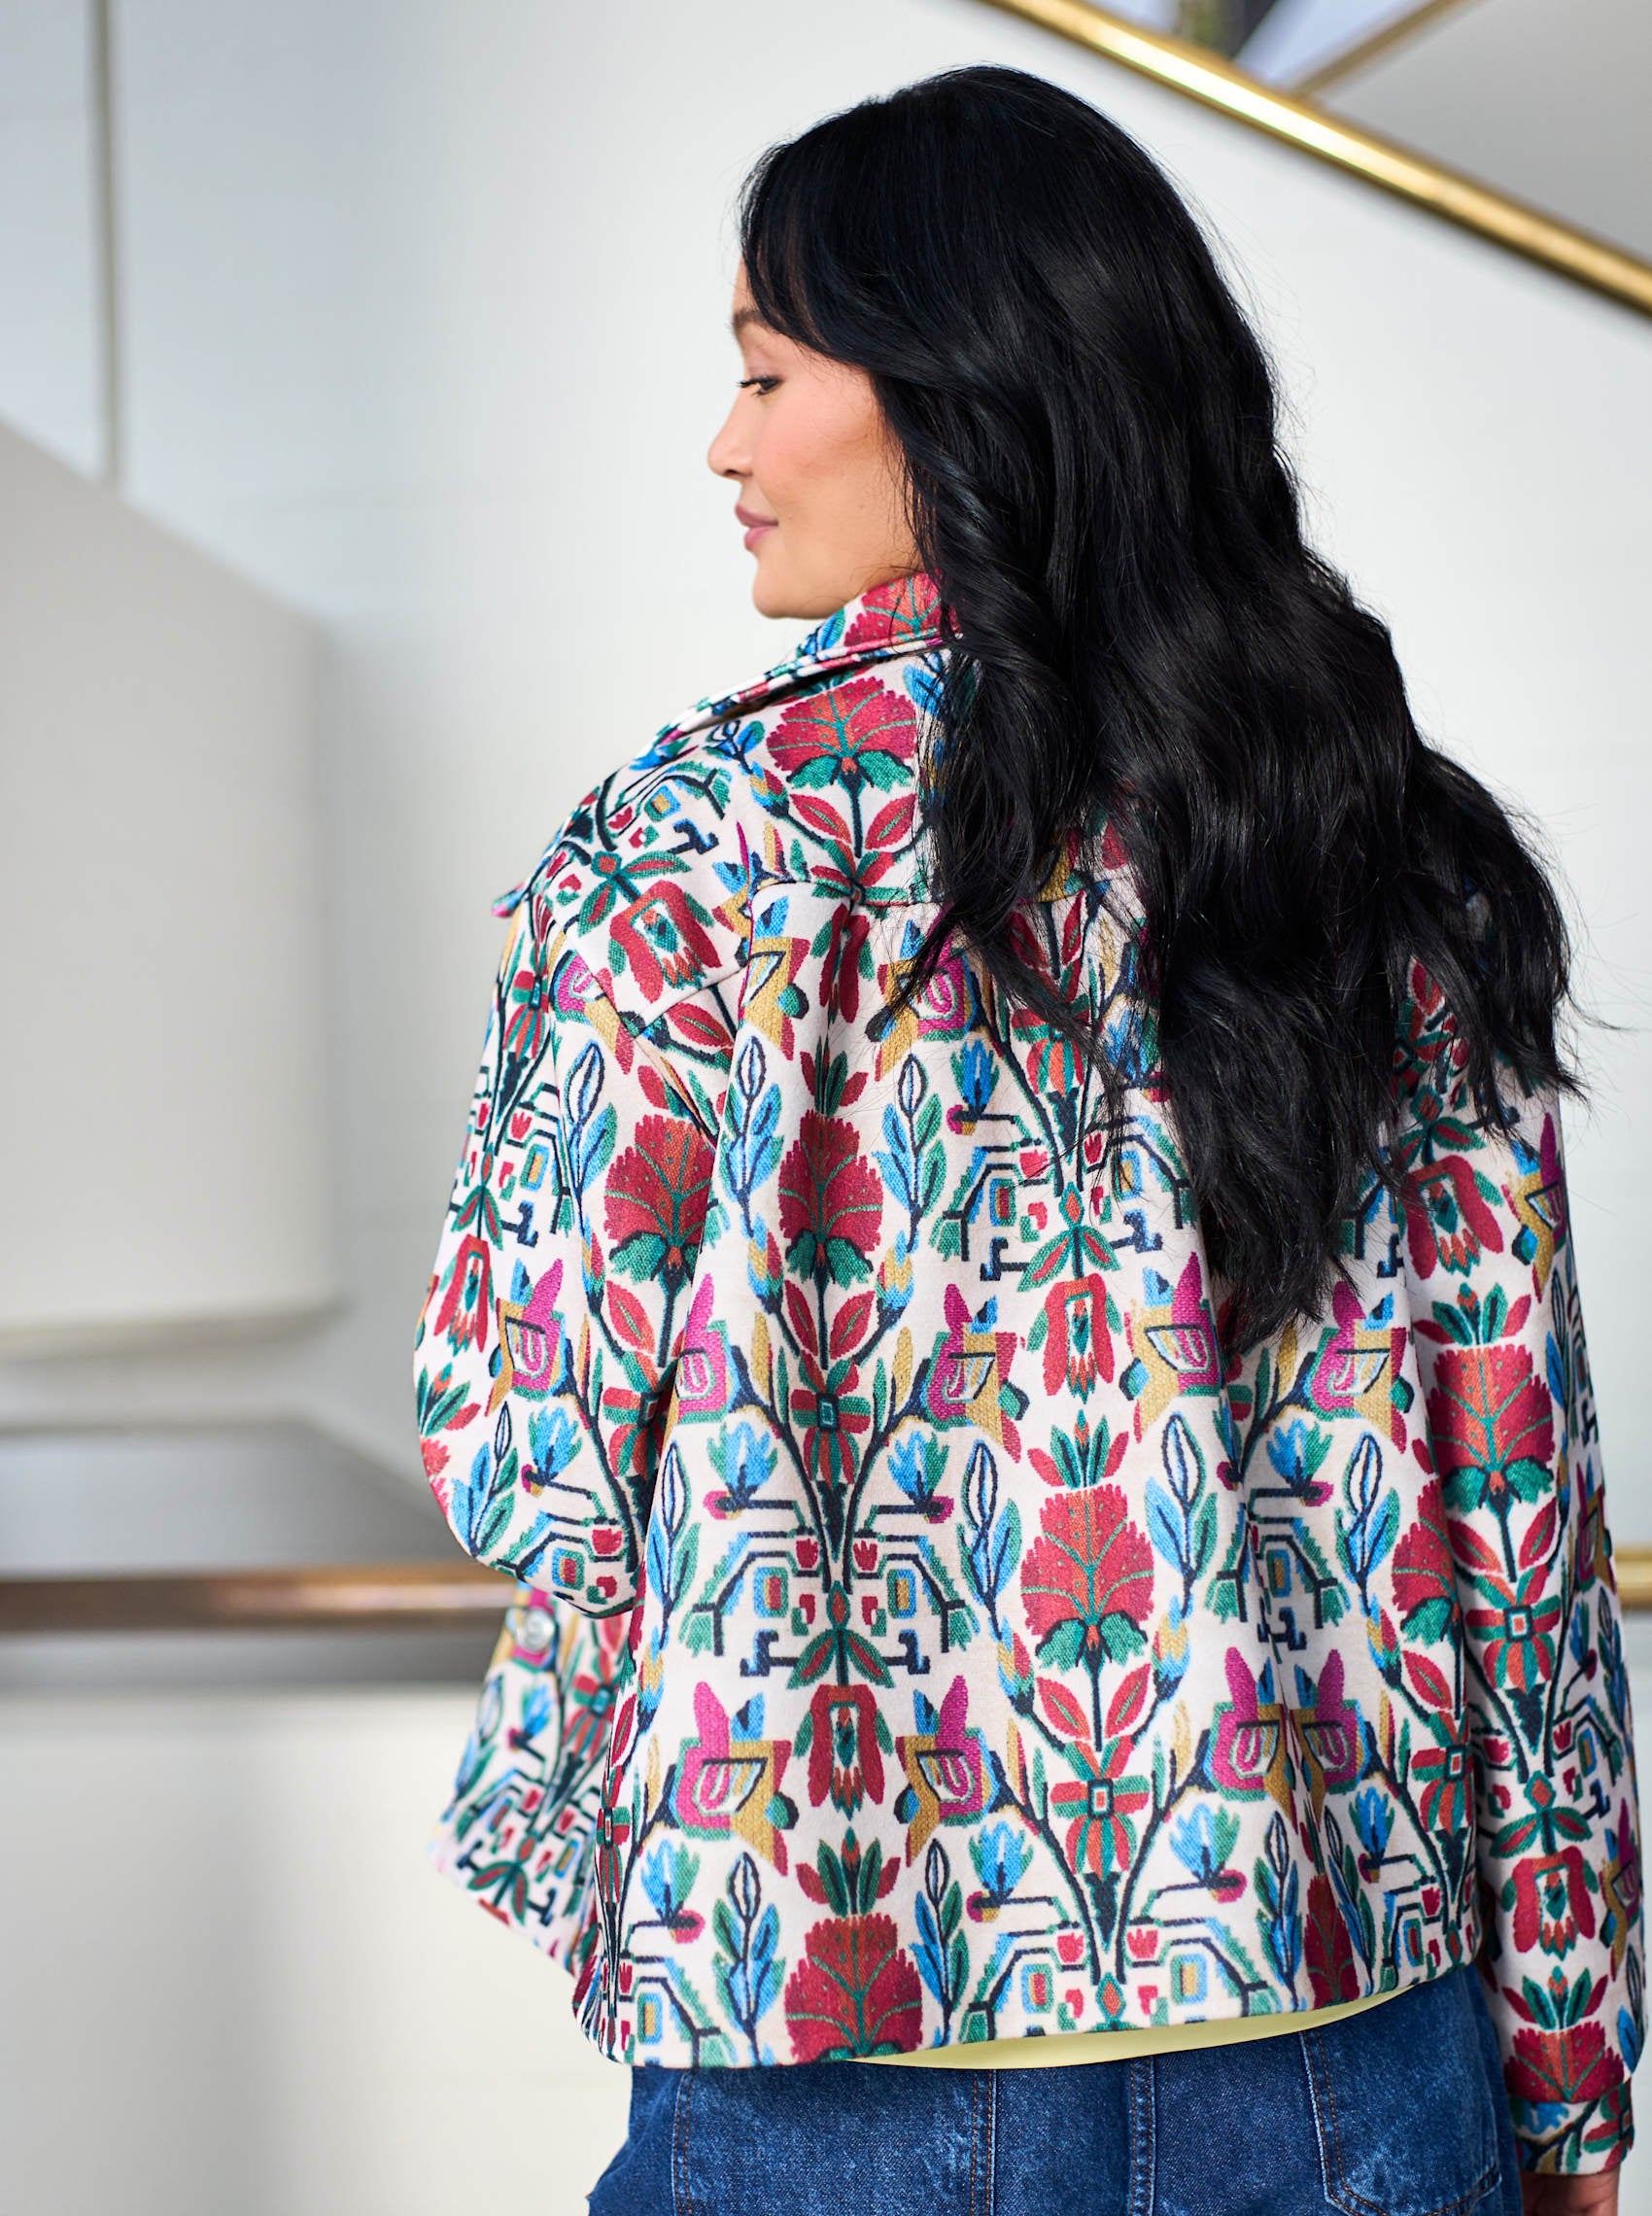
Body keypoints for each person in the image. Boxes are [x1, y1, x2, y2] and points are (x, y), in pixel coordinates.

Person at [412, 63, 1640, 2216]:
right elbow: (1515, 1522)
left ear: (956, 394)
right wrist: (1569, 2071)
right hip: (1351, 2052)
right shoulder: (1362, 842)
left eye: (765, 373)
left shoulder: (686, 859)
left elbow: (518, 1451)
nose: (724, 446)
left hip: (835, 2059)